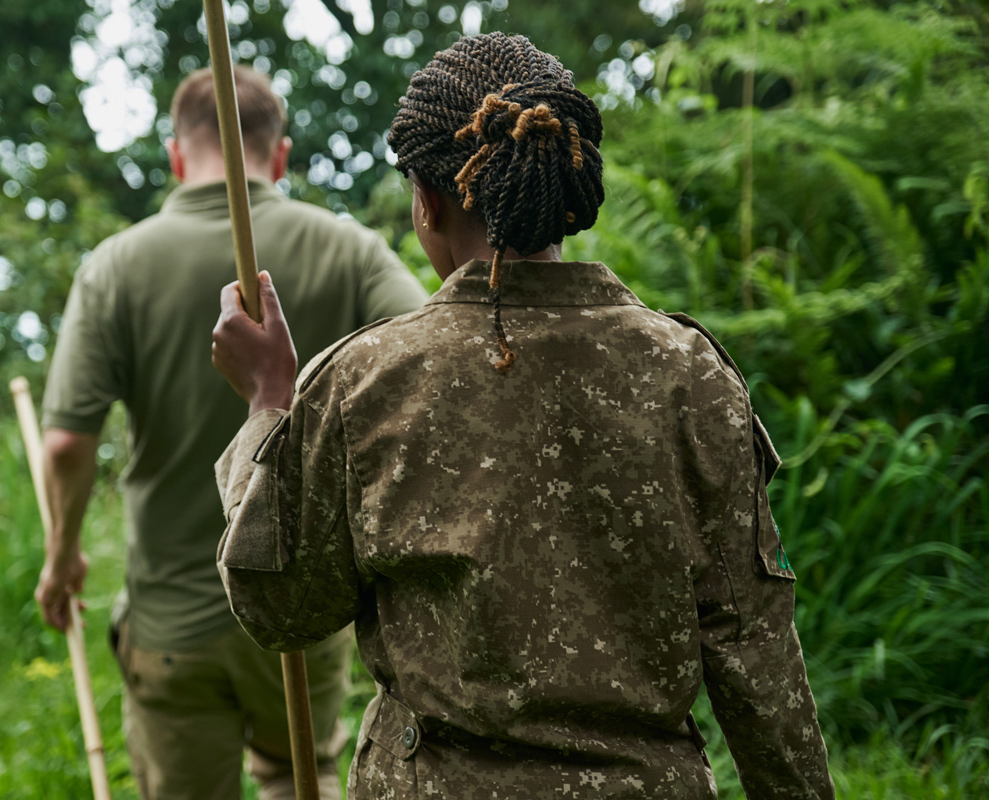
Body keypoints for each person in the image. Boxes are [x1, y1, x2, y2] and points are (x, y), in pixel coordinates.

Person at [210, 33, 835, 799]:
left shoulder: (364, 381)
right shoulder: (689, 373)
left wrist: (268, 407)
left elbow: (279, 606)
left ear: (426, 200)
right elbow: (754, 652)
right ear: (564, 188)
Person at [34, 66, 429, 800]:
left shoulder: (115, 266)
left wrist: (62, 558)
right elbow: (432, 368)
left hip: (171, 621)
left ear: (176, 156)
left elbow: (64, 444)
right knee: (296, 778)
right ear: (278, 156)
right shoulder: (348, 249)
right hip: (301, 609)